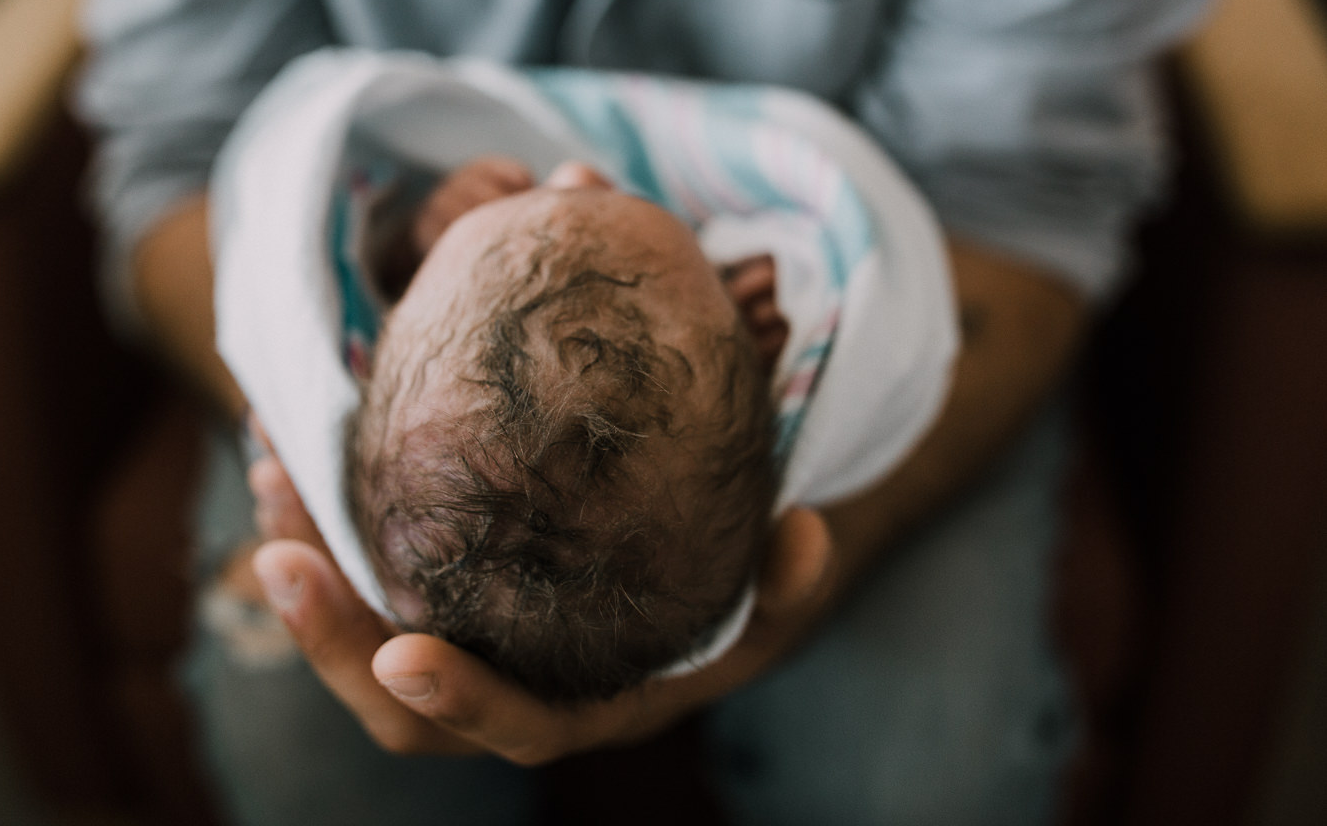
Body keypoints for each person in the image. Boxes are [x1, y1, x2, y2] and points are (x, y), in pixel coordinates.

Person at [57, 0, 1246, 822]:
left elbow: (1015, 205)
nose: (568, 176)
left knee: (922, 778)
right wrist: (334, 410)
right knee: (309, 757)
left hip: (934, 267)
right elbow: (199, 167)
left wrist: (776, 529)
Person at [207, 53, 958, 706]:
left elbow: (364, 303)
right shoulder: (424, 397)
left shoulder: (398, 359)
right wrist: (751, 301)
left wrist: (409, 251)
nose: (577, 170)